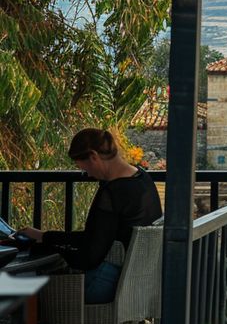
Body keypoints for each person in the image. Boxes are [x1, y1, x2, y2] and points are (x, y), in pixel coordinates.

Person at [19, 128, 162, 303]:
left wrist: (46, 239)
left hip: (107, 284)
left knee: (28, 286)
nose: (88, 174)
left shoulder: (113, 192)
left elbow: (90, 255)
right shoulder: (142, 178)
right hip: (136, 283)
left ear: (94, 157)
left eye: (83, 167)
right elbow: (98, 237)